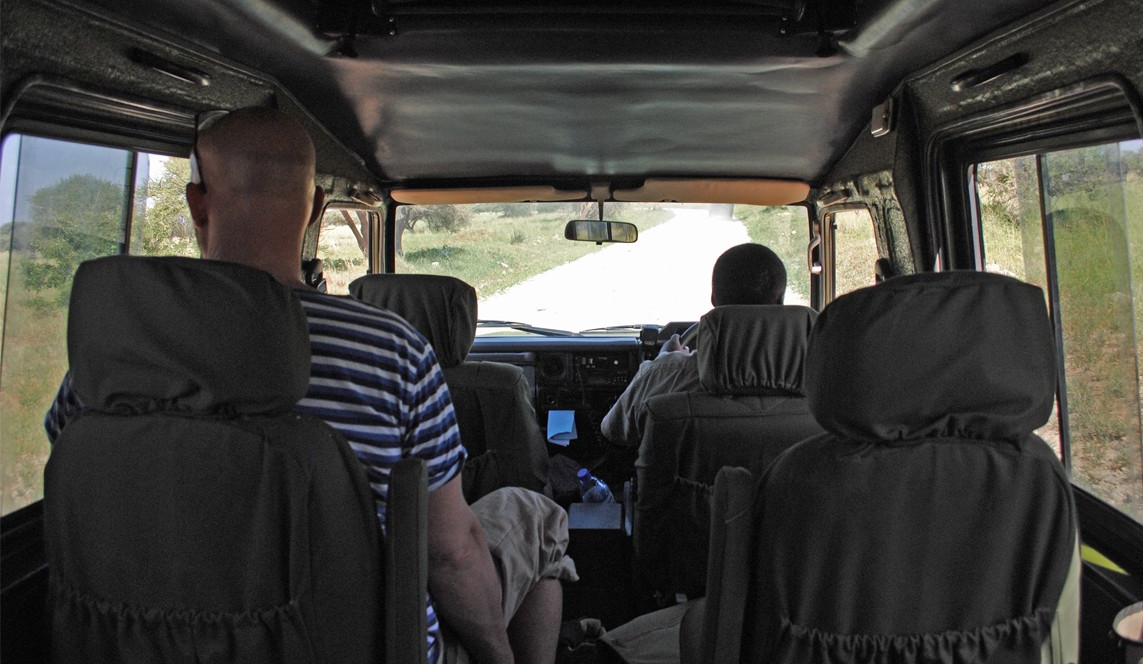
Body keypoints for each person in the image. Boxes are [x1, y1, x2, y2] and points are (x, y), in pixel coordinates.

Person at [44, 107, 575, 664]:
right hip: (366, 646)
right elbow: (448, 555)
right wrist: (495, 654)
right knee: (535, 515)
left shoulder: (113, 362)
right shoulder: (392, 354)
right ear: (317, 207)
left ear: (197, 205)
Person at [599, 242, 787, 447]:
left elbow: (612, 430)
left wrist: (666, 361)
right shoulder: (814, 380)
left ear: (714, 299)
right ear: (781, 301)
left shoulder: (664, 374)